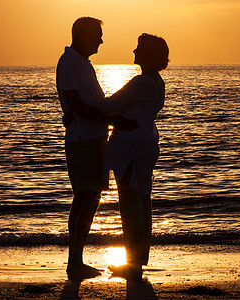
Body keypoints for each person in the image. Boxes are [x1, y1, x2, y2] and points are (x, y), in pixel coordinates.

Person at [56, 16, 138, 280]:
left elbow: (82, 104)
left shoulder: (79, 63)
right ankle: (74, 262)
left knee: (88, 197)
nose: (101, 41)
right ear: (83, 35)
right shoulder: (70, 62)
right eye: (97, 35)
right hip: (83, 139)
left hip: (91, 138)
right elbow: (76, 104)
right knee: (86, 197)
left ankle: (75, 261)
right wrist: (112, 119)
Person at [91, 33, 168, 279]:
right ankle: (136, 261)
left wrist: (87, 104)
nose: (134, 51)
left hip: (133, 147)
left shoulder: (141, 83)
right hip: (145, 143)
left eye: (139, 48)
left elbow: (108, 104)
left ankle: (133, 265)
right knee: (141, 201)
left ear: (148, 55)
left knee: (131, 203)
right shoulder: (157, 82)